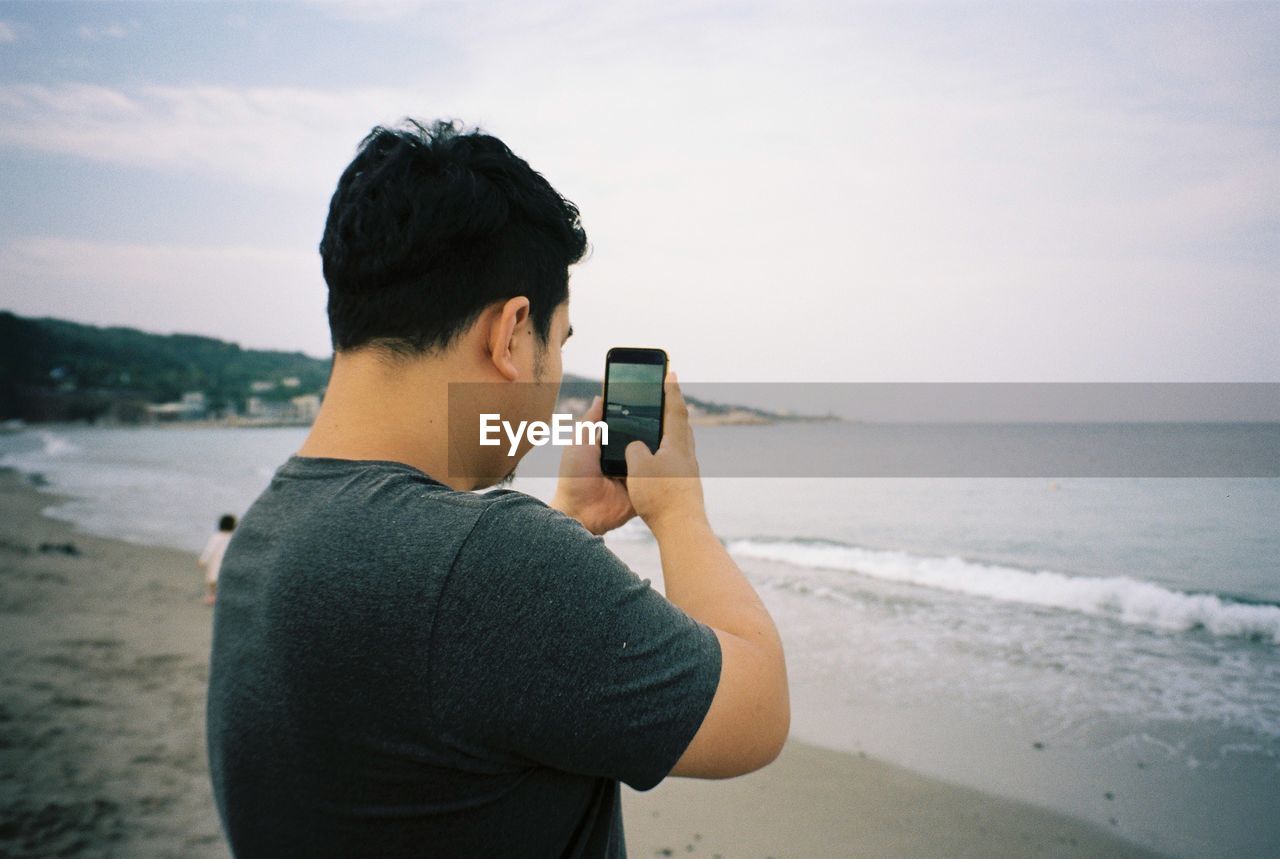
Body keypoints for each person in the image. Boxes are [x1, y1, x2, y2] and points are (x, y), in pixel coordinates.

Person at [206, 119, 789, 858]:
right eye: (558, 342)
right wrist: (679, 512)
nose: (551, 385)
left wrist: (570, 517)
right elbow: (759, 709)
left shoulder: (269, 527)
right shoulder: (491, 561)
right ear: (510, 333)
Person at [197, 513, 236, 606]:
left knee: (213, 581)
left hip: (215, 562)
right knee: (224, 581)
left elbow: (209, 550)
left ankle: (212, 597)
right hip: (228, 563)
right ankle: (221, 598)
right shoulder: (233, 537)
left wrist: (203, 560)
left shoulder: (216, 536)